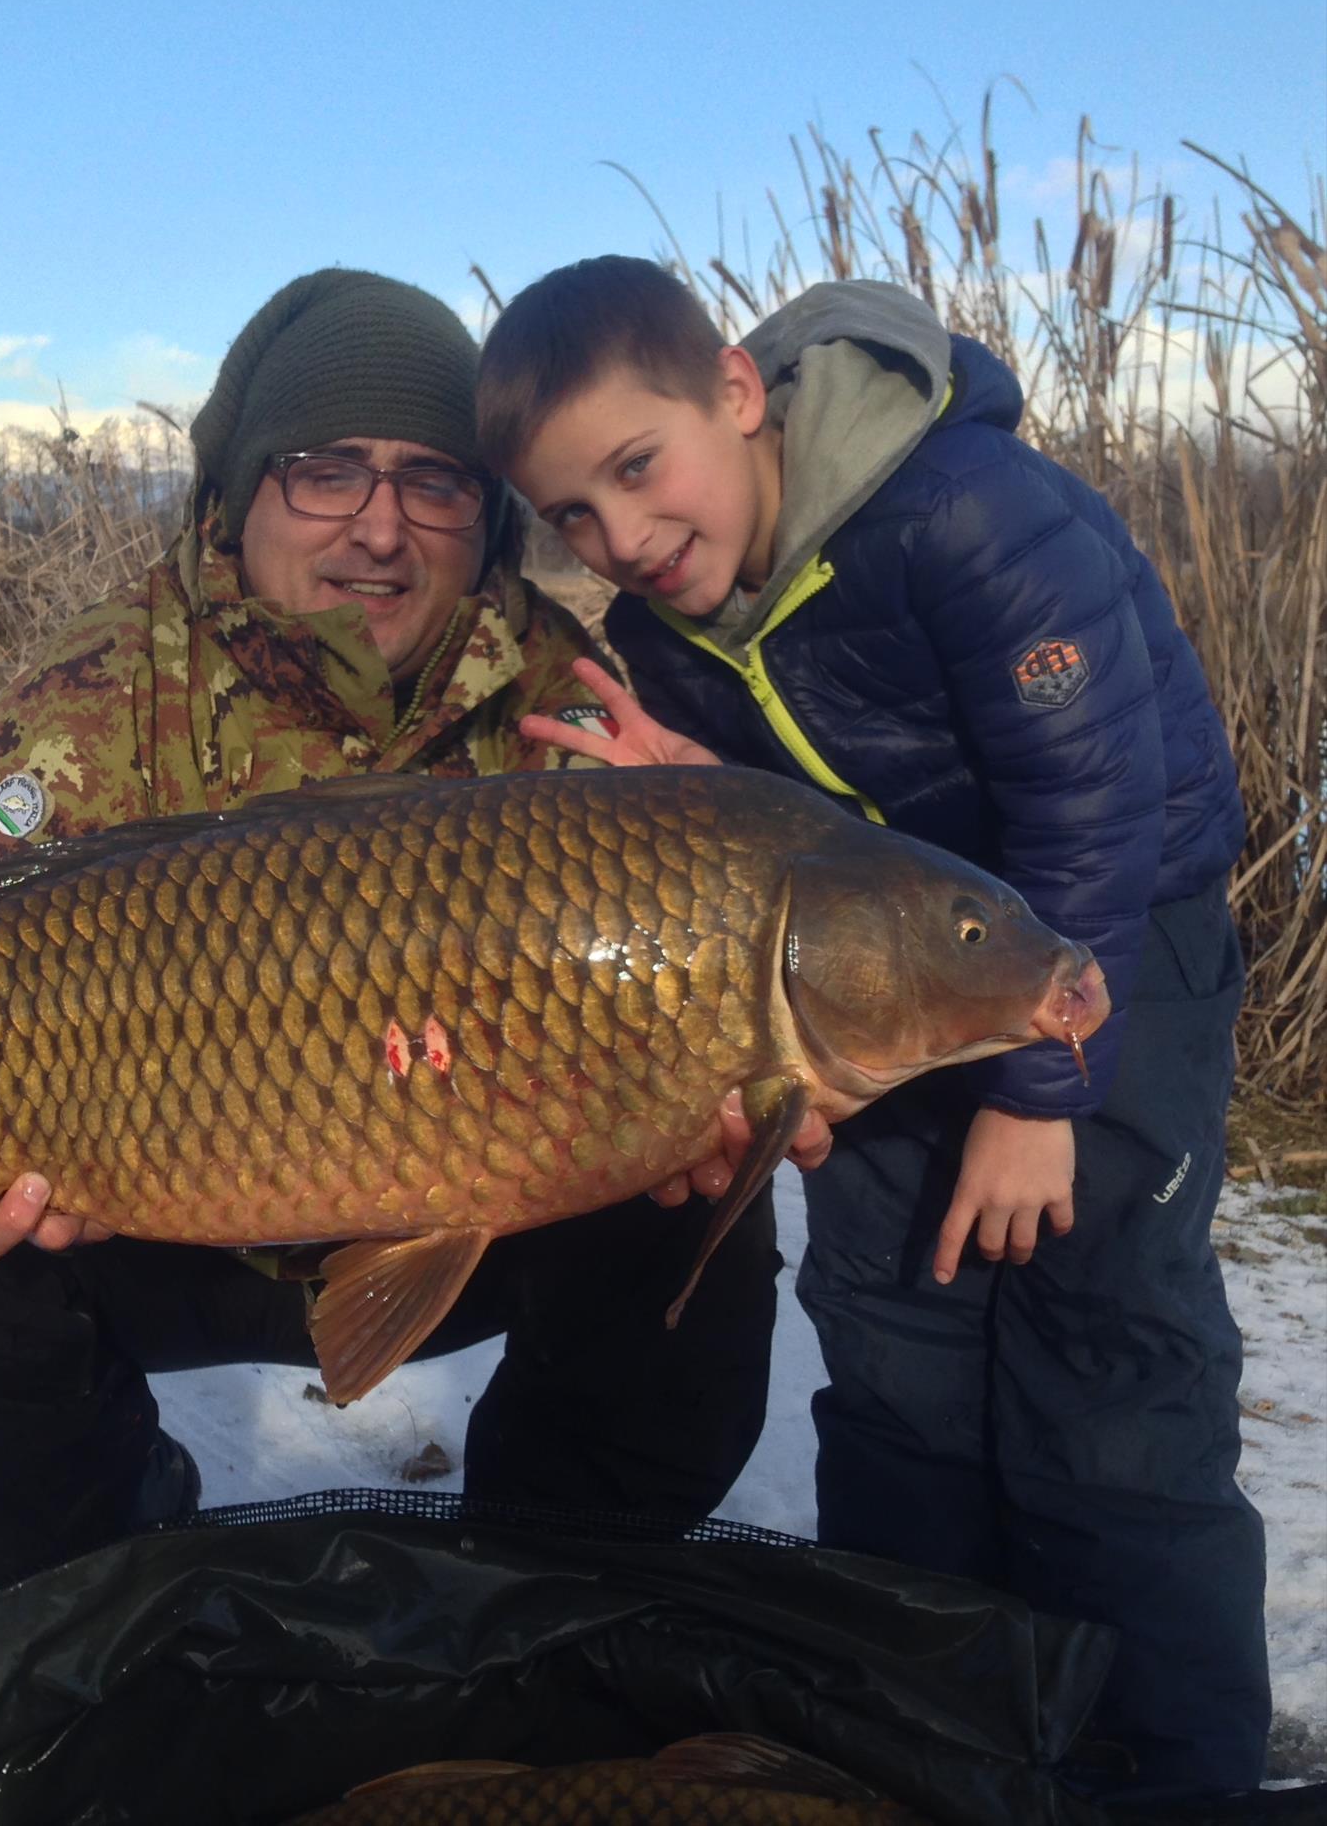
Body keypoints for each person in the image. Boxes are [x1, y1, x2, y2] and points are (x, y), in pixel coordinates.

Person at [0, 268, 828, 1591]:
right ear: (236, 497)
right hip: (153, 1208)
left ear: (487, 516)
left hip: (477, 1194)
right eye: (326, 473)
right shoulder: (93, 704)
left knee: (703, 1186)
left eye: (433, 482)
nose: (380, 528)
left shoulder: (574, 703)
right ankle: (110, 1579)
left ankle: (545, 1580)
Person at [475, 256, 1267, 1804]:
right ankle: (920, 1758)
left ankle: (1170, 1775)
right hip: (872, 978)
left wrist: (1037, 1094)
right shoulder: (664, 628)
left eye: (637, 468)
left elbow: (1092, 805)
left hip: (1106, 950)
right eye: (572, 515)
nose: (622, 538)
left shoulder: (965, 512)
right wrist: (690, 795)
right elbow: (803, 845)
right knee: (899, 1353)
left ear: (736, 391)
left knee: (1108, 1375)